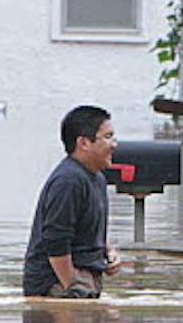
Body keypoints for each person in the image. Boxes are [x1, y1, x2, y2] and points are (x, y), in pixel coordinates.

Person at [22, 105, 123, 298]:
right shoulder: (68, 181)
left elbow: (86, 230)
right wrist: (72, 287)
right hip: (56, 286)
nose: (115, 144)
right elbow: (56, 240)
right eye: (108, 137)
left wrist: (108, 253)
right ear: (84, 143)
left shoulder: (97, 178)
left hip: (85, 280)